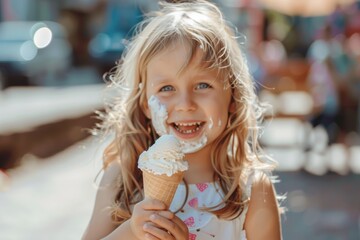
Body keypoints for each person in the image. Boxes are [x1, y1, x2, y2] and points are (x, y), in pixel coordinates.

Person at [82, 1, 282, 239]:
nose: (186, 103)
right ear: (145, 104)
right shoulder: (121, 180)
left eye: (202, 85)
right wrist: (131, 232)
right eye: (167, 88)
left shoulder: (252, 190)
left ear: (233, 97)